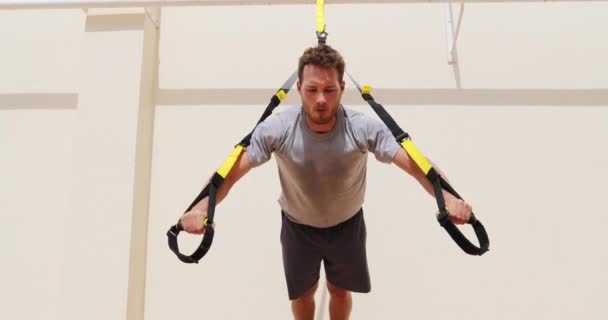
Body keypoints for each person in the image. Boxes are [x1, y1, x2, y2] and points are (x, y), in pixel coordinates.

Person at [179, 44, 472, 320]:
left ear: (342, 88)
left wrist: (448, 199)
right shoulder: (278, 128)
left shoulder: (361, 127)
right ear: (299, 89)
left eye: (330, 90)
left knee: (339, 289)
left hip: (347, 224)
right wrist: (200, 210)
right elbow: (227, 174)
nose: (321, 99)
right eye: (312, 90)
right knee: (304, 294)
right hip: (297, 226)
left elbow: (419, 165)